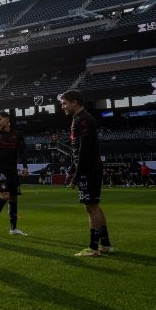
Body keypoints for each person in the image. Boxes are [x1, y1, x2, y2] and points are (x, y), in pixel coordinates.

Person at [60, 90, 113, 257]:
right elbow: (78, 150)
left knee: (90, 207)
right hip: (89, 168)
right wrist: (73, 168)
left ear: (74, 102)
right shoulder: (80, 118)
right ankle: (105, 244)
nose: (63, 106)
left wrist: (77, 174)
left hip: (89, 169)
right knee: (94, 205)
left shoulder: (83, 119)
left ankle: (93, 247)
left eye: (64, 103)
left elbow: (84, 149)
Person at [0, 111, 29, 237]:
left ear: (7, 119)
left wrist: (25, 167)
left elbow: (23, 152)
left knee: (14, 197)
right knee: (5, 195)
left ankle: (13, 228)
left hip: (13, 170)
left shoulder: (17, 135)